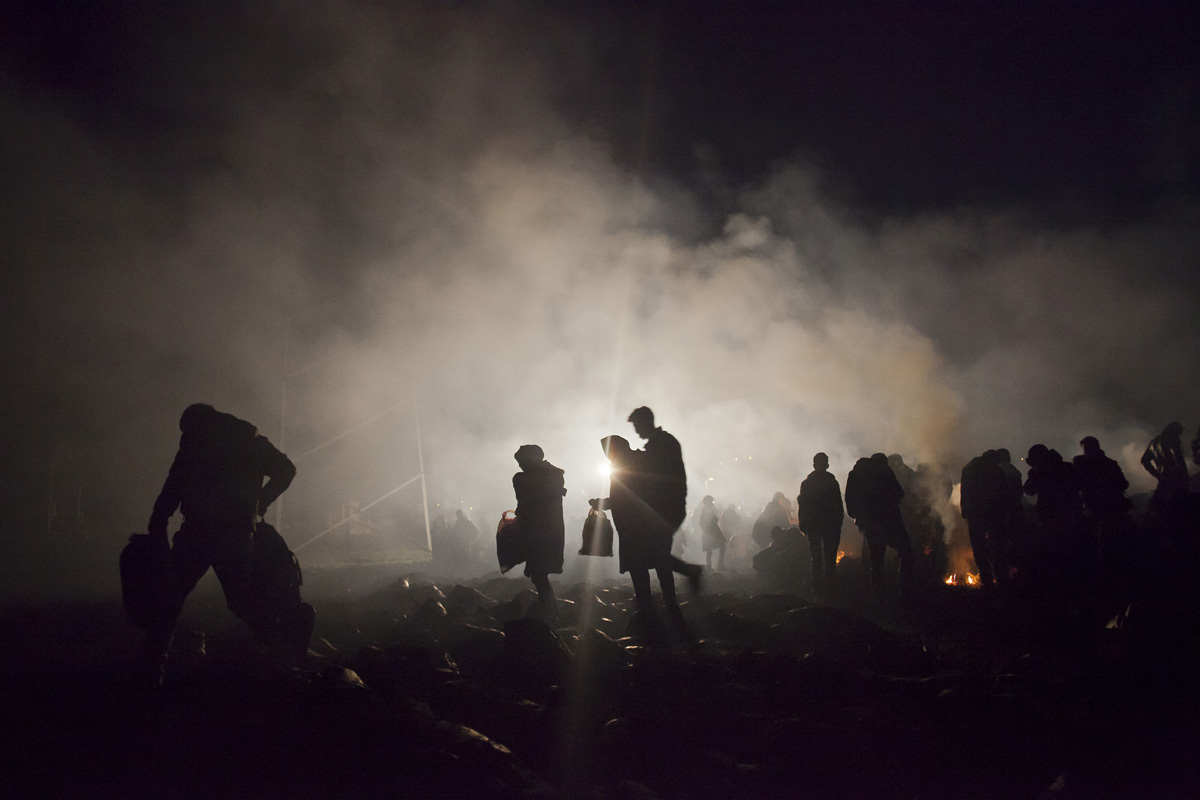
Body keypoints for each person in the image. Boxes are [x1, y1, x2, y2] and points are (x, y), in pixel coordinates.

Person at [137, 403, 300, 688]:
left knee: (170, 599)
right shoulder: (247, 442)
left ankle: (151, 672)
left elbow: (172, 489)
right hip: (233, 533)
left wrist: (158, 523)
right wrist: (260, 503)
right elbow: (286, 470)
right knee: (241, 600)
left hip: (199, 532)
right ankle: (282, 658)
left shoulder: (194, 445)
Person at [844, 453, 913, 604]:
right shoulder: (884, 472)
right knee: (906, 552)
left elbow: (850, 501)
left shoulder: (857, 474)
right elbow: (899, 493)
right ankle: (904, 594)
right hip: (890, 521)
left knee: (876, 562)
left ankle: (880, 599)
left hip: (870, 524)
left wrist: (859, 518)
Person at [512, 444, 566, 622]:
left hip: (538, 533)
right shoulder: (553, 476)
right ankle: (551, 611)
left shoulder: (523, 479)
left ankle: (549, 613)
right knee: (540, 573)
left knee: (538, 573)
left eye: (521, 461)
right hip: (550, 531)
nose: (519, 465)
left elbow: (526, 504)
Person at [796, 452, 844, 599]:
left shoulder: (806, 484)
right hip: (830, 526)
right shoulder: (832, 483)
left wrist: (803, 525)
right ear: (826, 465)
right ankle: (831, 591)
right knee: (830, 560)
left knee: (816, 560)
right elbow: (838, 506)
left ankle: (817, 591)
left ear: (814, 464)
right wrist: (838, 525)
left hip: (813, 526)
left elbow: (802, 506)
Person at [959, 450, 1009, 588]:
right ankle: (1002, 579)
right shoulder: (995, 470)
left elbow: (965, 493)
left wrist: (966, 512)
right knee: (997, 546)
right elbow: (1003, 492)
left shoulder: (968, 468)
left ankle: (986, 580)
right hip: (993, 513)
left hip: (974, 514)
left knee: (978, 548)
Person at [1141, 422, 1190, 533]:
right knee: (1182, 510)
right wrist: (1184, 475)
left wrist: (1157, 475)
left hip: (1164, 479)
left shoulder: (1153, 443)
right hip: (1176, 479)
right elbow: (1178, 459)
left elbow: (1144, 461)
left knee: (1159, 507)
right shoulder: (1173, 440)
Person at [698, 495, 726, 571]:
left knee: (713, 549)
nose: (712, 503)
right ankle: (713, 566)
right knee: (711, 549)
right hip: (711, 532)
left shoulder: (708, 509)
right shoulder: (706, 510)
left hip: (711, 532)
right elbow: (703, 522)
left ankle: (713, 566)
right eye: (711, 501)